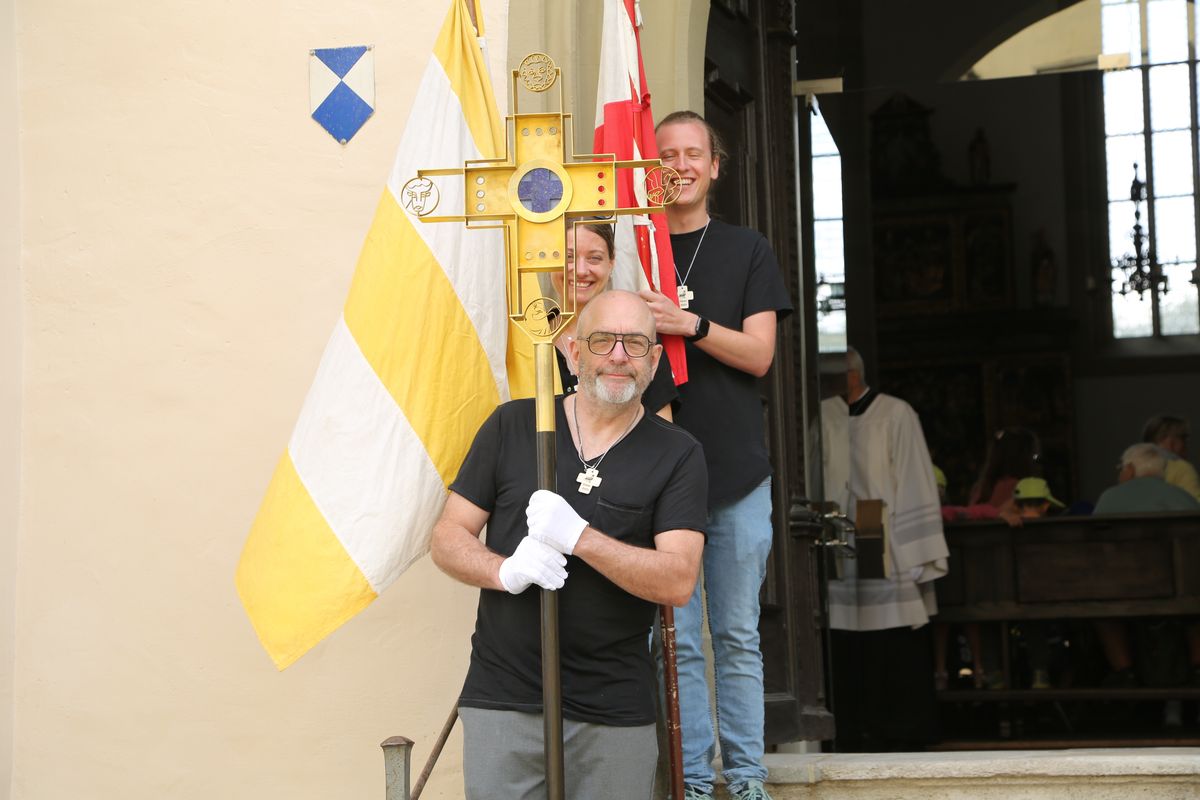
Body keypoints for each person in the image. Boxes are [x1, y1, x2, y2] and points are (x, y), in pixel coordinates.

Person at [430, 290, 708, 799]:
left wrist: (582, 539)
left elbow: (678, 579)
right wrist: (502, 571)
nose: (619, 356)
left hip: (613, 710)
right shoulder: (515, 425)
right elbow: (448, 537)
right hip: (504, 698)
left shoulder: (677, 454)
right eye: (603, 341)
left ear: (655, 360)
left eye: (636, 343)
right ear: (574, 352)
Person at [637, 110, 793, 800]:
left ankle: (749, 779)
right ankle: (696, 781)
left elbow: (759, 356)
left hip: (735, 473)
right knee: (678, 640)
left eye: (692, 153)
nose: (680, 165)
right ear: (651, 167)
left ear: (715, 166)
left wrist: (689, 324)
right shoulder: (634, 254)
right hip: (658, 478)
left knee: (734, 635)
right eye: (665, 154)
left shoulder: (746, 248)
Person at [821, 346, 949, 749]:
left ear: (853, 374)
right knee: (842, 639)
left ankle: (902, 730)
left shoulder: (895, 413)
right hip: (834, 531)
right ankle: (851, 730)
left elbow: (914, 477)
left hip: (883, 534)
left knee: (889, 640)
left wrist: (918, 551)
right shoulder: (821, 413)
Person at [551, 220, 677, 417]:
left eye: (594, 258)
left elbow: (664, 434)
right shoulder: (529, 340)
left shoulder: (638, 338)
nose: (581, 270)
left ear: (611, 263)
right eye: (568, 257)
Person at [1094, 442, 1200, 514]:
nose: (1119, 474)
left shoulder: (1109, 498)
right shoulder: (1183, 497)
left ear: (1130, 469)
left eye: (1121, 468)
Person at [1142, 414, 1200, 501]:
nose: (1186, 445)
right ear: (1168, 441)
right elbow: (1196, 507)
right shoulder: (1181, 469)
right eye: (1183, 438)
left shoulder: (1131, 468)